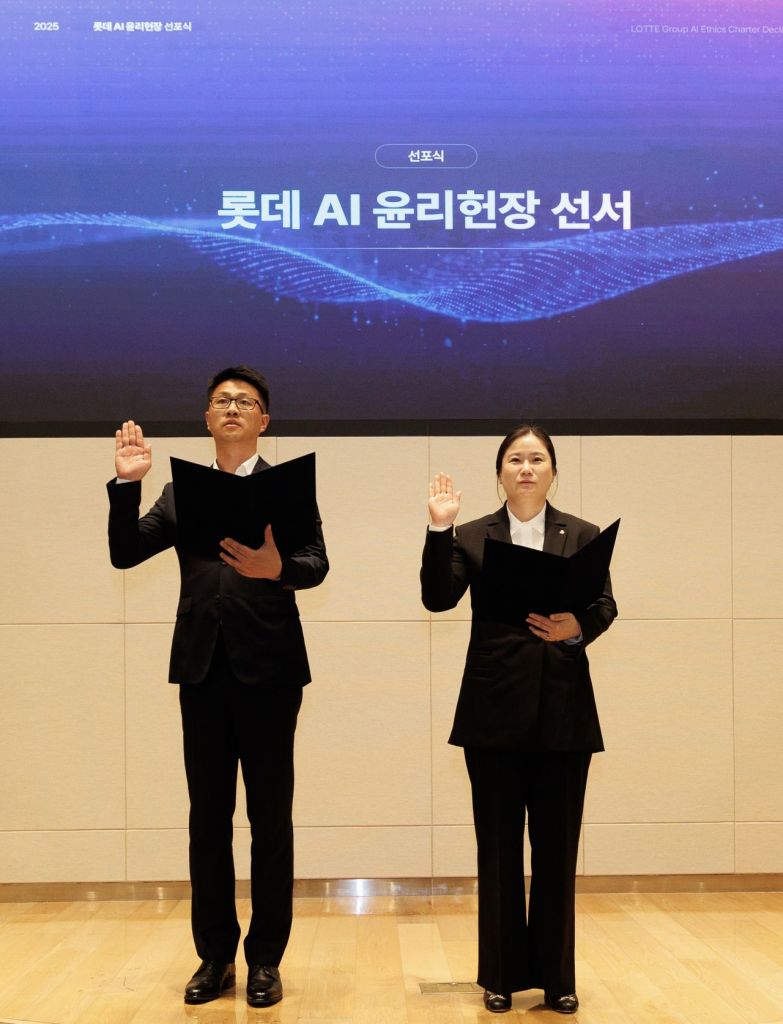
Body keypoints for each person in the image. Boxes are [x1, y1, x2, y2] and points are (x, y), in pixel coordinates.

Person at [107, 366, 328, 1008]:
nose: (232, 408)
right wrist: (128, 485)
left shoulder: (286, 489)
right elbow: (125, 552)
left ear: (264, 420)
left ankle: (265, 960)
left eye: (245, 402)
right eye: (222, 401)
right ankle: (215, 955)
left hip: (271, 671)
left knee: (270, 818)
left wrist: (277, 567)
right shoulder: (180, 493)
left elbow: (316, 563)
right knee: (207, 819)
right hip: (202, 668)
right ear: (207, 418)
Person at [420, 425, 616, 1015]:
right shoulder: (472, 534)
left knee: (557, 851)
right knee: (499, 850)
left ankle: (558, 979)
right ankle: (501, 975)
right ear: (500, 473)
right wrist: (439, 529)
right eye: (515, 459)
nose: (526, 468)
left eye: (536, 459)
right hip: (493, 708)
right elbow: (437, 597)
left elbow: (604, 604)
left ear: (553, 471)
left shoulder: (581, 534)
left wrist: (578, 627)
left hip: (563, 708)